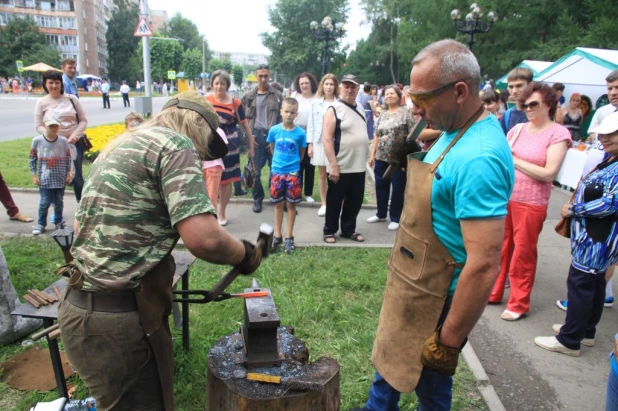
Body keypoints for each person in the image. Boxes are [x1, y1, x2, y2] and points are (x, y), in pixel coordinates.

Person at [58, 91, 263, 411]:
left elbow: (79, 226)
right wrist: (246, 254)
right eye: (205, 142)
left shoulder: (122, 143)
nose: (202, 153)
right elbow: (204, 238)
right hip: (118, 322)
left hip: (79, 310)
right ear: (196, 122)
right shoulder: (176, 144)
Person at [354, 39, 514, 411]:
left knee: (431, 389)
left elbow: (485, 262)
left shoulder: (480, 158)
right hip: (414, 280)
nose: (413, 108)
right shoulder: (455, 128)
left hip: (439, 297)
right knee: (390, 362)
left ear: (460, 91)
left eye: (422, 99)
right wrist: (412, 151)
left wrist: (449, 340)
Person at [534, 111, 618, 357]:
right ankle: (585, 331)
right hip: (596, 237)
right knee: (593, 284)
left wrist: (574, 209)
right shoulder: (611, 159)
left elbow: (611, 203)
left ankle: (569, 339)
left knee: (581, 285)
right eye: (602, 134)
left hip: (597, 239)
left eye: (611, 134)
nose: (603, 138)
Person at [489, 82, 571, 321]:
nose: (528, 108)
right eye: (524, 104)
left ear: (549, 103)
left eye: (533, 103)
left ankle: (519, 302)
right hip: (506, 199)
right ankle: (493, 292)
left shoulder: (558, 133)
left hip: (532, 202)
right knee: (500, 249)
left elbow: (548, 173)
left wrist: (515, 161)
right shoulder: (517, 129)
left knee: (522, 254)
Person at [321, 74, 369, 244]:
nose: (349, 90)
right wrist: (333, 165)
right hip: (340, 165)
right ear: (340, 87)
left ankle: (348, 230)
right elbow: (326, 139)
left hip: (358, 165)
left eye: (353, 87)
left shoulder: (361, 108)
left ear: (358, 89)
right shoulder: (333, 109)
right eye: (346, 86)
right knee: (335, 200)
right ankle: (329, 230)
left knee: (355, 201)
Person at [206, 70, 255, 226]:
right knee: (209, 179)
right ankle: (209, 212)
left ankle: (222, 213)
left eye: (223, 83)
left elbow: (245, 125)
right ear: (212, 84)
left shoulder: (235, 102)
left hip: (230, 148)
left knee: (225, 181)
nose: (219, 86)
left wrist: (251, 145)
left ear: (227, 85)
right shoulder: (205, 100)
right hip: (209, 146)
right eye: (216, 83)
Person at [34, 70, 88, 203]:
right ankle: (57, 209)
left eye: (57, 82)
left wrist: (75, 136)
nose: (54, 85)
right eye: (50, 82)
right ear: (45, 84)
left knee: (77, 176)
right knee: (55, 177)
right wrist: (53, 137)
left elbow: (83, 120)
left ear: (61, 83)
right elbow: (38, 126)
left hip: (73, 143)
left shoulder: (71, 99)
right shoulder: (41, 103)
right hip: (53, 145)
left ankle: (82, 207)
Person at [367, 84, 414, 231]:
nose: (389, 96)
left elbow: (413, 135)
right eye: (386, 94)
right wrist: (372, 154)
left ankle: (395, 217)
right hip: (381, 156)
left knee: (398, 186)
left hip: (398, 158)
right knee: (380, 184)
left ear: (399, 96)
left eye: (392, 93)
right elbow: (376, 135)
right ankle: (380, 213)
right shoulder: (383, 114)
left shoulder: (405, 113)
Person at [241, 64, 283, 213]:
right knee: (255, 172)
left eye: (266, 76)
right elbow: (242, 119)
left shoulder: (277, 96)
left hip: (272, 137)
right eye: (261, 76)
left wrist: (276, 138)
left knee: (276, 170)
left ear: (269, 75)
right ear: (256, 76)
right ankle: (257, 199)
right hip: (255, 137)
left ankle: (276, 197)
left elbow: (281, 118)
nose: (263, 79)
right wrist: (248, 137)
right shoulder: (248, 96)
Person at [267, 97, 307, 253]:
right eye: (286, 111)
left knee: (291, 205)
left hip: (293, 173)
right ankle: (277, 235)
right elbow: (272, 147)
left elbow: (302, 153)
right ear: (281, 112)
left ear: (296, 114)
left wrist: (293, 165)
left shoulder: (300, 133)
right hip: (277, 172)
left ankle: (289, 236)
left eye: (292, 112)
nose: (289, 115)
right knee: (278, 204)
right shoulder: (274, 130)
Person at [29, 116, 72, 235]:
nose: (53, 128)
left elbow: (69, 158)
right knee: (44, 202)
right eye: (51, 126)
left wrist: (68, 173)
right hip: (45, 178)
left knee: (59, 201)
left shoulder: (63, 141)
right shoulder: (37, 140)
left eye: (56, 126)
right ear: (45, 126)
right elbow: (32, 158)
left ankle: (58, 221)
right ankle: (41, 223)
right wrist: (34, 175)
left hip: (60, 177)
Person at [307, 74, 339, 217]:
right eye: (326, 84)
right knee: (321, 174)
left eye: (331, 84)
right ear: (322, 86)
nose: (329, 87)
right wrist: (311, 144)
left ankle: (336, 203)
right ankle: (324, 203)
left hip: (334, 142)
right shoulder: (315, 103)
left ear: (335, 87)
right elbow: (311, 125)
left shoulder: (339, 103)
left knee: (334, 173)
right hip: (319, 141)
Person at [292, 72, 318, 203]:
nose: (304, 85)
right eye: (301, 83)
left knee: (310, 165)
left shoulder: (318, 97)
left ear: (311, 83)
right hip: (296, 134)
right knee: (298, 164)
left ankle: (308, 193)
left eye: (306, 83)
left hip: (312, 134)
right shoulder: (294, 96)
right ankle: (297, 192)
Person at [203, 127, 228, 215]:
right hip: (200, 166)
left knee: (211, 198)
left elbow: (223, 149)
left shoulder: (218, 131)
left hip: (213, 165)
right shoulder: (194, 128)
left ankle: (211, 224)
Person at [500, 68, 533, 134]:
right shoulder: (507, 115)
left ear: (530, 85)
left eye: (519, 86)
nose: (514, 91)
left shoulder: (541, 112)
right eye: (511, 87)